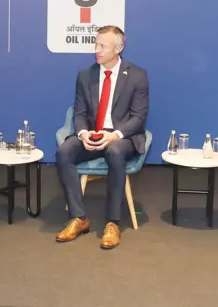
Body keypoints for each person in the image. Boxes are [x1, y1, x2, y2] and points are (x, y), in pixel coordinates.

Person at [55, 25, 149, 250]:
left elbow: (138, 118)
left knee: (114, 152)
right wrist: (82, 133)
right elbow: (79, 113)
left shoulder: (137, 76)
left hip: (122, 137)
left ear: (118, 48)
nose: (96, 50)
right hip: (94, 133)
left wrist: (115, 135)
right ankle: (79, 218)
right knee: (64, 152)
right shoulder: (85, 75)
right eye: (95, 44)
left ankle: (113, 223)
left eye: (102, 46)